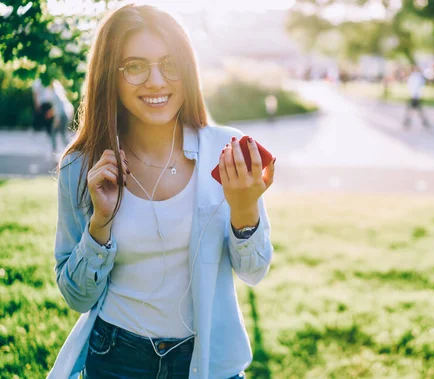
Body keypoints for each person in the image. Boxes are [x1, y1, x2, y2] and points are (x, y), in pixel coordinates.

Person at [47, 5, 276, 379]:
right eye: (135, 66)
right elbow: (77, 297)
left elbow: (254, 271)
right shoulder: (81, 167)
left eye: (169, 63)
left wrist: (244, 210)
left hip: (208, 360)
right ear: (110, 76)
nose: (156, 81)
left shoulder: (227, 152)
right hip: (116, 358)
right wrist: (100, 225)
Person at [32, 78, 75, 158]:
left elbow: (58, 108)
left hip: (61, 115)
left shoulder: (55, 94)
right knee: (62, 133)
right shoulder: (59, 93)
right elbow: (59, 107)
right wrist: (51, 113)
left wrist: (57, 118)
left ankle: (57, 151)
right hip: (65, 114)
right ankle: (70, 151)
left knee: (55, 133)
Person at [402, 65, 430, 129]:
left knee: (413, 110)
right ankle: (424, 122)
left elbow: (416, 86)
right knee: (416, 110)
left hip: (415, 96)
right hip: (415, 96)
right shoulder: (415, 77)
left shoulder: (416, 77)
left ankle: (408, 122)